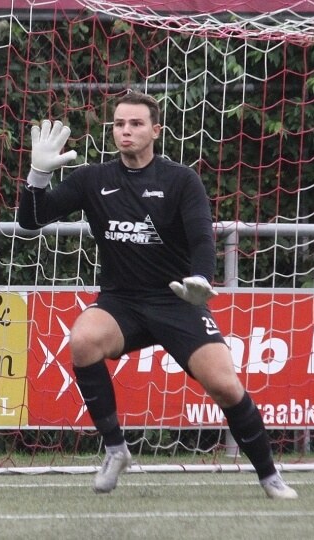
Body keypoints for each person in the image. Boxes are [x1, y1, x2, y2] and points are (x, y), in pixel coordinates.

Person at [16, 92, 297, 500]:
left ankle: (271, 477)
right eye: (119, 124)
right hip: (121, 302)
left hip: (177, 300)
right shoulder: (93, 179)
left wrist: (201, 278)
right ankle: (115, 450)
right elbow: (30, 221)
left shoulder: (180, 180)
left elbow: (202, 236)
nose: (126, 131)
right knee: (82, 339)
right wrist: (37, 177)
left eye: (136, 124)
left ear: (155, 130)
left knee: (225, 386)